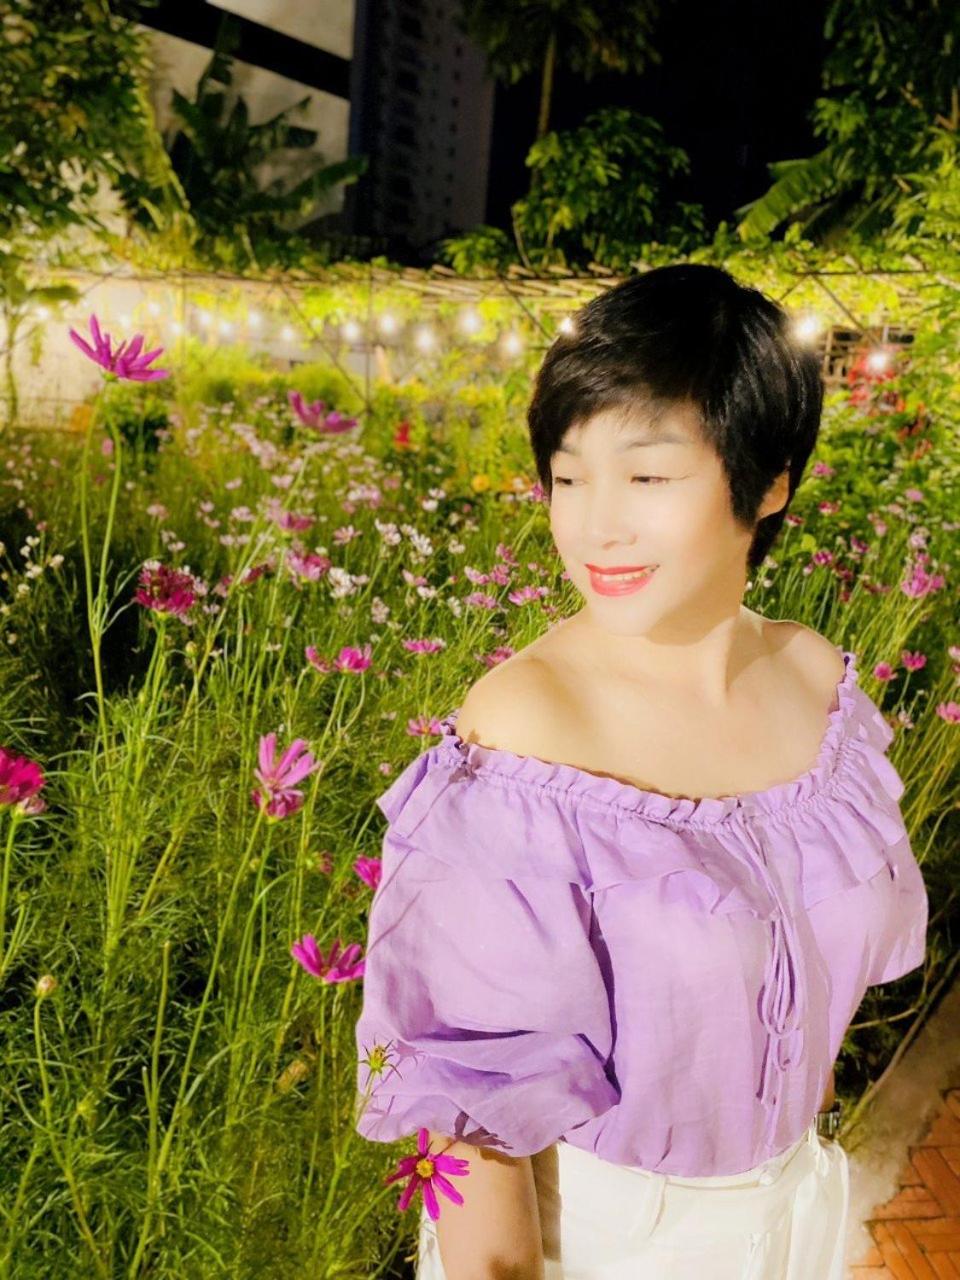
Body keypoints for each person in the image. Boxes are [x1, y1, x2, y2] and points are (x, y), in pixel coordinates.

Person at [353, 263, 929, 1278]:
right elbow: (473, 1110)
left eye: (648, 476)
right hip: (604, 1239)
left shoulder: (816, 683)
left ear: (769, 481)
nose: (594, 525)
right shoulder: (530, 728)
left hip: (795, 1215)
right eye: (569, 476)